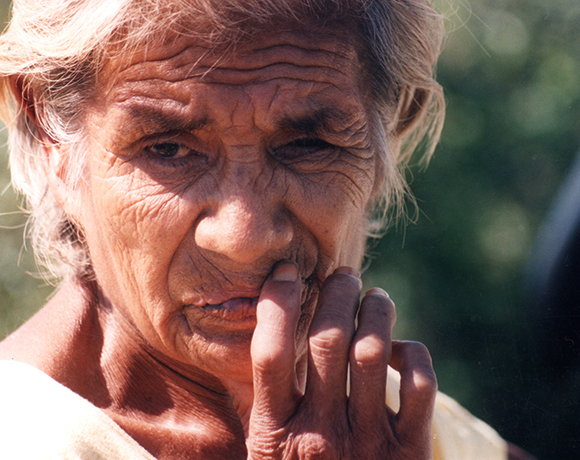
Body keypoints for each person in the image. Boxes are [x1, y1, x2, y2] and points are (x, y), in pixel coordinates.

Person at [0, 0, 533, 458]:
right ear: (49, 134)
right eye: (168, 150)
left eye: (306, 146)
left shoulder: (393, 426)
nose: (244, 237)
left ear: (389, 132)